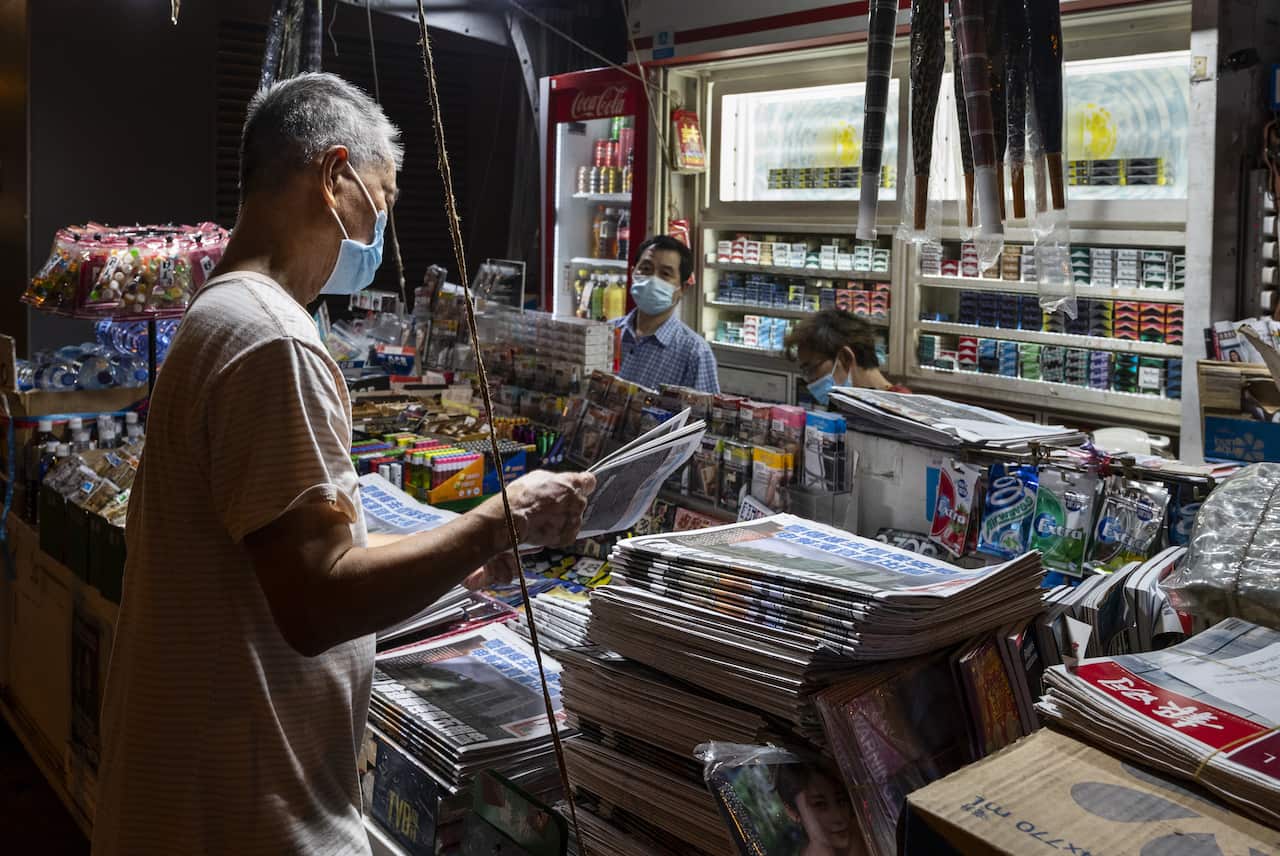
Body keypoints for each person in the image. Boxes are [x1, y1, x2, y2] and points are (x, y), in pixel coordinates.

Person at [92, 73, 596, 856]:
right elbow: (316, 602)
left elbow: (275, 555)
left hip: (195, 794)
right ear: (335, 178)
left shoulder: (220, 312)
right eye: (384, 198)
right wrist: (499, 522)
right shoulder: (275, 342)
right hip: (247, 815)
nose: (384, 223)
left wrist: (448, 562)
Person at [613, 234, 720, 393]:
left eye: (665, 274)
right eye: (646, 269)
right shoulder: (607, 332)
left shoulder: (695, 353)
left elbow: (704, 415)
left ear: (683, 288)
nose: (652, 279)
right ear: (632, 273)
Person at [785, 309, 910, 405]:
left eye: (811, 369)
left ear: (845, 358)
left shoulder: (901, 414)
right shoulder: (851, 405)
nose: (810, 383)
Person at [775, 762, 861, 856]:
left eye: (841, 800)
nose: (839, 816)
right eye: (819, 804)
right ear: (792, 812)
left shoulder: (868, 832)